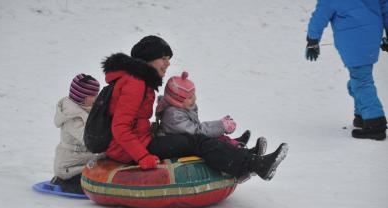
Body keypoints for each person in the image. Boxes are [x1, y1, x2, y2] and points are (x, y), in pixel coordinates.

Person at [101, 35, 288, 181]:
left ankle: (247, 158)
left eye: (168, 58)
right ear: (148, 60)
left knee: (193, 139)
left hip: (138, 141)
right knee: (195, 141)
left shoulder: (139, 81)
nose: (167, 63)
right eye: (163, 58)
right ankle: (254, 165)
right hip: (128, 150)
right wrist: (142, 156)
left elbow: (132, 120)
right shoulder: (135, 84)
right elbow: (120, 128)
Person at [305, 0, 388, 140]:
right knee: (359, 78)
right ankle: (361, 115)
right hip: (372, 35)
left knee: (361, 81)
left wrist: (312, 40)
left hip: (353, 40)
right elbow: (385, 7)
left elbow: (320, 15)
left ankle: (375, 123)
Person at [155, 70, 266, 154]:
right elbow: (196, 132)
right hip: (178, 146)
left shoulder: (182, 108)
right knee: (212, 141)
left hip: (189, 140)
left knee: (215, 136)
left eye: (193, 95)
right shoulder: (173, 115)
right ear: (176, 100)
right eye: (189, 97)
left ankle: (236, 144)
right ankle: (244, 152)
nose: (194, 99)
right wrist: (221, 125)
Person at [51, 73, 100, 194]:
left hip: (83, 161)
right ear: (82, 97)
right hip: (70, 168)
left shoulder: (85, 109)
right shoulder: (73, 117)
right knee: (91, 187)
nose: (97, 97)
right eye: (93, 95)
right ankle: (63, 182)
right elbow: (89, 139)